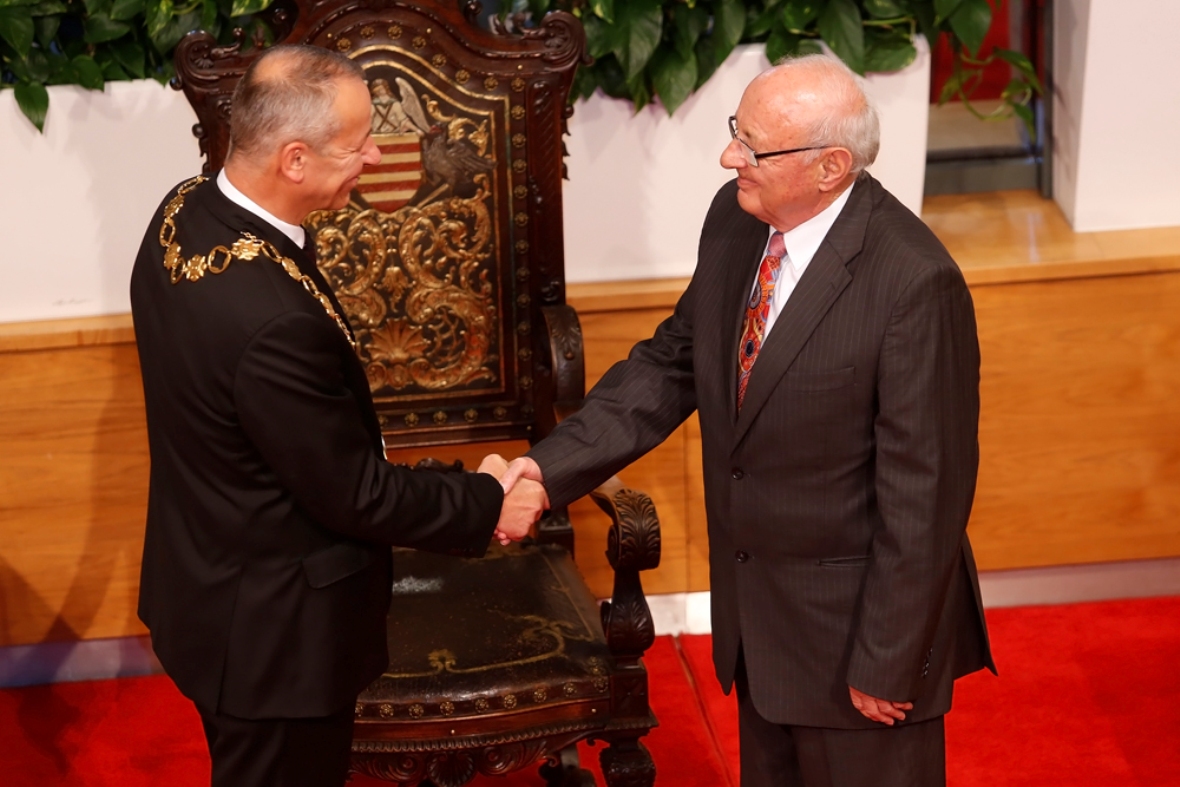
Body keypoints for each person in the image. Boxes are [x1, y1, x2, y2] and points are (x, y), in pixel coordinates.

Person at [496, 54, 995, 786]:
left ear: (830, 166)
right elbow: (671, 364)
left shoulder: (915, 282)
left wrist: (890, 659)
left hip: (857, 645)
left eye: (753, 147)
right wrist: (546, 471)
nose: (730, 157)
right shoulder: (737, 220)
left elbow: (927, 494)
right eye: (737, 132)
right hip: (760, 629)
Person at [130, 44, 544, 787]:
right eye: (358, 145)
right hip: (275, 639)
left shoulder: (184, 209)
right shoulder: (272, 323)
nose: (375, 156)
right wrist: (488, 501)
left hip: (209, 583)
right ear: (294, 159)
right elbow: (356, 493)